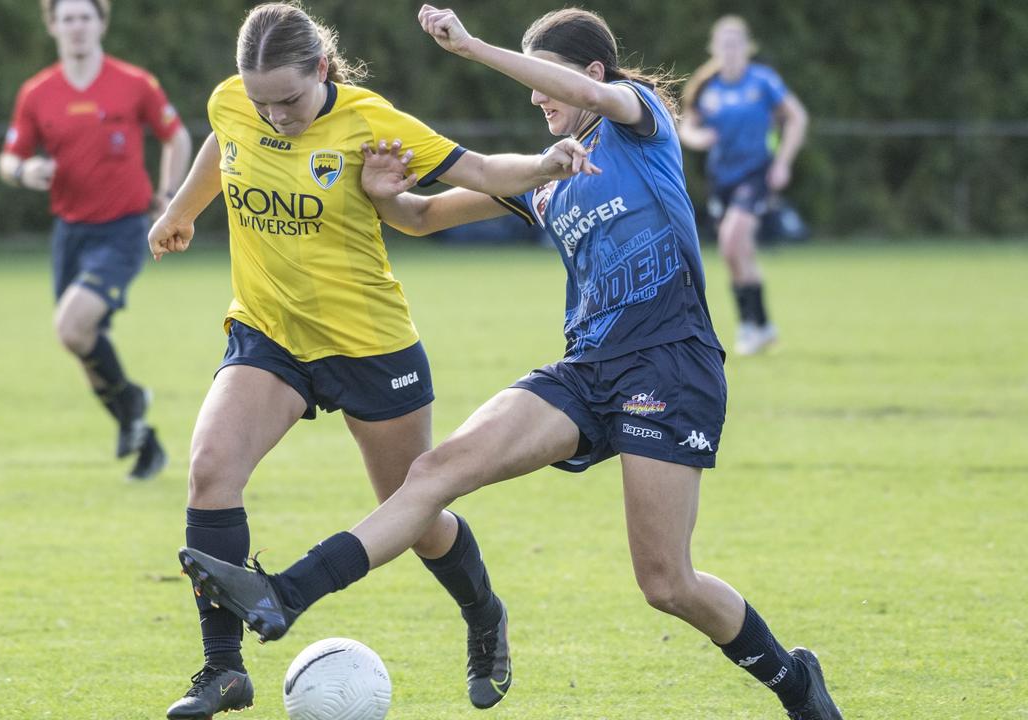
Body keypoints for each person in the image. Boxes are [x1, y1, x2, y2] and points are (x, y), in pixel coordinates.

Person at [178, 6, 842, 720]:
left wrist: (470, 47)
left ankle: (793, 681)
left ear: (590, 73)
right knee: (434, 473)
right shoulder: (549, 176)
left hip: (668, 368)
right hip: (586, 371)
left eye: (546, 79)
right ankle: (284, 592)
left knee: (667, 583)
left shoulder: (638, 125)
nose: (535, 96)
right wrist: (383, 196)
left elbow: (593, 99)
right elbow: (425, 219)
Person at [147, 3, 597, 717]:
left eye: (289, 100)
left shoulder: (368, 121)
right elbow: (220, 143)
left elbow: (477, 169)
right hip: (269, 335)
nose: (275, 116)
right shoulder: (237, 103)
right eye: (261, 100)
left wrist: (544, 164)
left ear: (322, 70)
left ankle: (483, 615)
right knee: (210, 471)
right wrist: (182, 210)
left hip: (370, 345)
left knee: (413, 514)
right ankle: (222, 670)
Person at [0, 0, 192, 480]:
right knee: (85, 342)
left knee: (71, 327)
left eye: (85, 17)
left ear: (101, 23)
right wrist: (25, 170)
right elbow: (8, 158)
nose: (77, 27)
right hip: (70, 232)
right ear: (52, 26)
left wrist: (168, 199)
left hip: (124, 227)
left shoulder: (134, 83)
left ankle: (131, 404)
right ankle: (143, 436)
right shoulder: (36, 92)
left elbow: (178, 137)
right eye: (67, 18)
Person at [678, 15, 808, 356]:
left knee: (732, 241)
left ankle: (751, 327)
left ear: (747, 48)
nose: (731, 50)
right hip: (722, 179)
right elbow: (686, 127)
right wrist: (698, 137)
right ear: (714, 48)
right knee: (737, 254)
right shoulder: (708, 87)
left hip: (755, 175)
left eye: (736, 43)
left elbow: (796, 117)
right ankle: (759, 325)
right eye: (724, 43)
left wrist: (782, 163)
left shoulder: (762, 82)